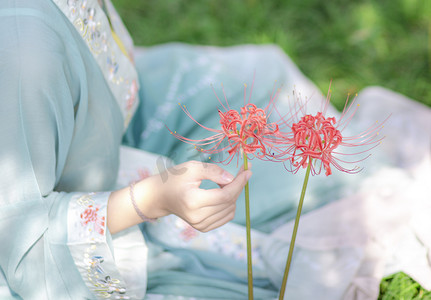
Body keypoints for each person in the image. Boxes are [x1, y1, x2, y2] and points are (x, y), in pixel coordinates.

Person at [1, 1, 430, 299]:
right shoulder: (24, 55)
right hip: (48, 222)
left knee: (257, 85)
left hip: (94, 132)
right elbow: (20, 239)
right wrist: (150, 199)